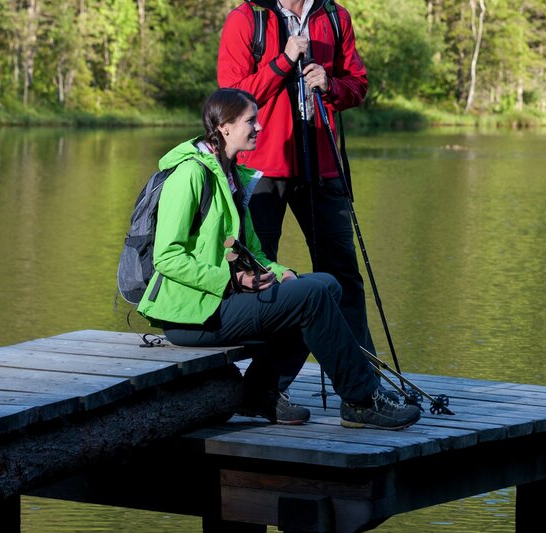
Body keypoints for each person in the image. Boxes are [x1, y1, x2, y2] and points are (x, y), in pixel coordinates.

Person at [137, 88, 420, 430]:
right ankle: (361, 400)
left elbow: (253, 252)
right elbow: (167, 257)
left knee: (324, 284)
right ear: (224, 127)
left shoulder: (233, 174)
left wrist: (280, 272)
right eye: (250, 121)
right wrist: (231, 280)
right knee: (310, 297)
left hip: (219, 302)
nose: (259, 128)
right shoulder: (190, 175)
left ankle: (263, 392)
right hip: (191, 314)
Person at [217, 0, 376, 354]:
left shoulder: (334, 16)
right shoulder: (247, 19)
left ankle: (363, 382)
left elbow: (358, 85)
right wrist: (283, 63)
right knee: (259, 272)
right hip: (262, 170)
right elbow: (229, 99)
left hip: (322, 165)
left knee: (342, 274)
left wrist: (331, 85)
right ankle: (265, 385)